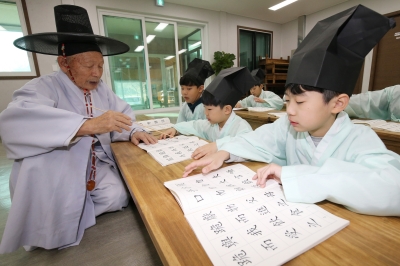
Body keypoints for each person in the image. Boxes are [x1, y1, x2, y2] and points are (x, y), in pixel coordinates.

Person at [183, 5, 400, 217]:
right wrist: (224, 151)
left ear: (337, 103)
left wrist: (293, 175)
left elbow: (392, 188)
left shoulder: (360, 139)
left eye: (301, 102)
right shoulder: (288, 127)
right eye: (287, 101)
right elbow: (257, 140)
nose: (290, 111)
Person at [0, 5, 157, 253]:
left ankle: (74, 212)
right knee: (58, 211)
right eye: (88, 66)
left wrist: (132, 130)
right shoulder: (43, 86)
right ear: (65, 63)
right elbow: (15, 120)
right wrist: (86, 125)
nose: (96, 73)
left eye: (100, 66)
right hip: (59, 165)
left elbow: (122, 115)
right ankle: (56, 223)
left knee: (117, 197)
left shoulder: (101, 89)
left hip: (95, 164)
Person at [160, 67, 254, 159]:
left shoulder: (241, 127)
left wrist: (217, 145)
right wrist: (176, 129)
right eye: (204, 108)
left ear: (227, 109)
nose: (206, 113)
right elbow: (195, 125)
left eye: (209, 109)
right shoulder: (211, 124)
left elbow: (245, 142)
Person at [177, 58, 214, 122]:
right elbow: (179, 124)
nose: (184, 92)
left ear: (200, 88)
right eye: (182, 88)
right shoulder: (185, 106)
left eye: (189, 89)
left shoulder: (207, 106)